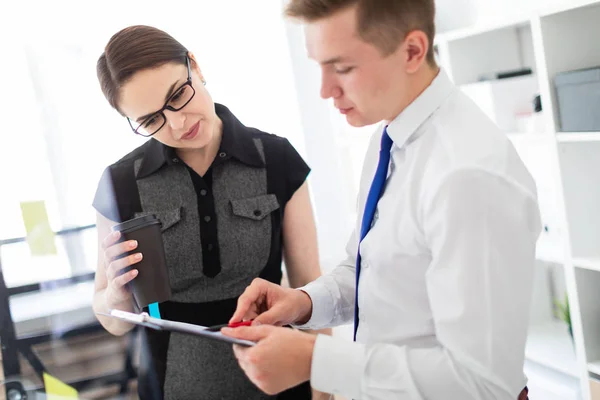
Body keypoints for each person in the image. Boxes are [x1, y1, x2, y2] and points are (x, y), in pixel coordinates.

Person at [223, 1, 542, 399]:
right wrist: (303, 302)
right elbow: (378, 270)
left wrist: (314, 360)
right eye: (318, 66)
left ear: (412, 51)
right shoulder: (388, 137)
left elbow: (483, 382)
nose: (325, 90)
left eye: (342, 68)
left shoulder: (467, 176)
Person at [91, 25, 328, 399]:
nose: (178, 123)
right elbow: (112, 321)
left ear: (195, 66)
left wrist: (324, 385)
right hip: (175, 384)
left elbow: (310, 288)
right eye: (151, 121)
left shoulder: (277, 160)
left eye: (179, 96)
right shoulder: (119, 184)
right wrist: (118, 296)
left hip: (279, 375)